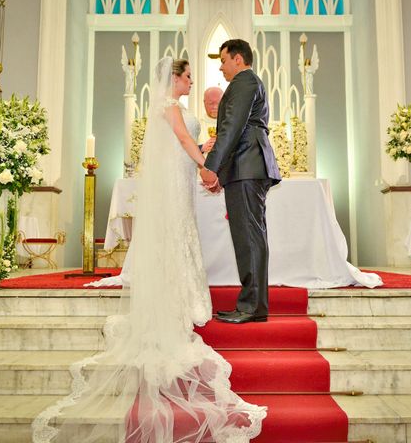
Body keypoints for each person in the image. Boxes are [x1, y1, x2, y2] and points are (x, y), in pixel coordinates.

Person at [32, 57, 266, 442]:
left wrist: (204, 158)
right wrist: (208, 165)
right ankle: (176, 299)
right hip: (176, 186)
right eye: (188, 76)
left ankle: (181, 295)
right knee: (175, 236)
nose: (192, 81)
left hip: (181, 182)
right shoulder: (169, 107)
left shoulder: (173, 108)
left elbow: (187, 142)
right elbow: (186, 141)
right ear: (174, 78)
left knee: (181, 236)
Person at [200, 39, 282, 324]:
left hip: (247, 165)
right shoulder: (247, 83)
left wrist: (211, 166)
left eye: (223, 61)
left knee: (249, 236)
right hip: (246, 166)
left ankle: (251, 306)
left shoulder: (244, 81)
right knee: (250, 236)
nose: (221, 67)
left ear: (237, 59)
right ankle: (253, 304)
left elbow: (232, 126)